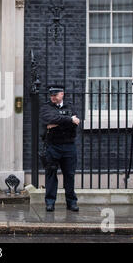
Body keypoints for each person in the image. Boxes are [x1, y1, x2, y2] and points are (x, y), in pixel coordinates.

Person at [40, 84, 80, 212]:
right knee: (51, 174)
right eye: (51, 95)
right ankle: (50, 202)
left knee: (69, 174)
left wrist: (56, 124)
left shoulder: (70, 106)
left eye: (55, 95)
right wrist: (69, 119)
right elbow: (49, 119)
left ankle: (71, 202)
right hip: (53, 145)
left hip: (69, 145)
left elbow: (76, 124)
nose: (52, 98)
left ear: (61, 94)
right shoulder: (46, 107)